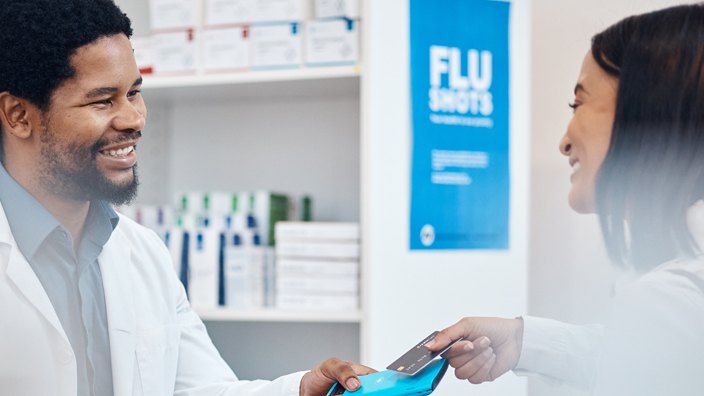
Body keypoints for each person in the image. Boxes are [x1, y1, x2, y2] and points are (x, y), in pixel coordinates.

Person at [0, 1, 373, 395]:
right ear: (19, 115)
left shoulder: (143, 252)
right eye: (102, 100)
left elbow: (201, 388)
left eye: (135, 92)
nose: (134, 118)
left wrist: (300, 390)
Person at [426, 4, 704, 395]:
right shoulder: (676, 299)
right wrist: (523, 341)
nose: (564, 141)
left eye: (579, 104)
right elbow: (653, 362)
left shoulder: (667, 302)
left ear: (648, 114)